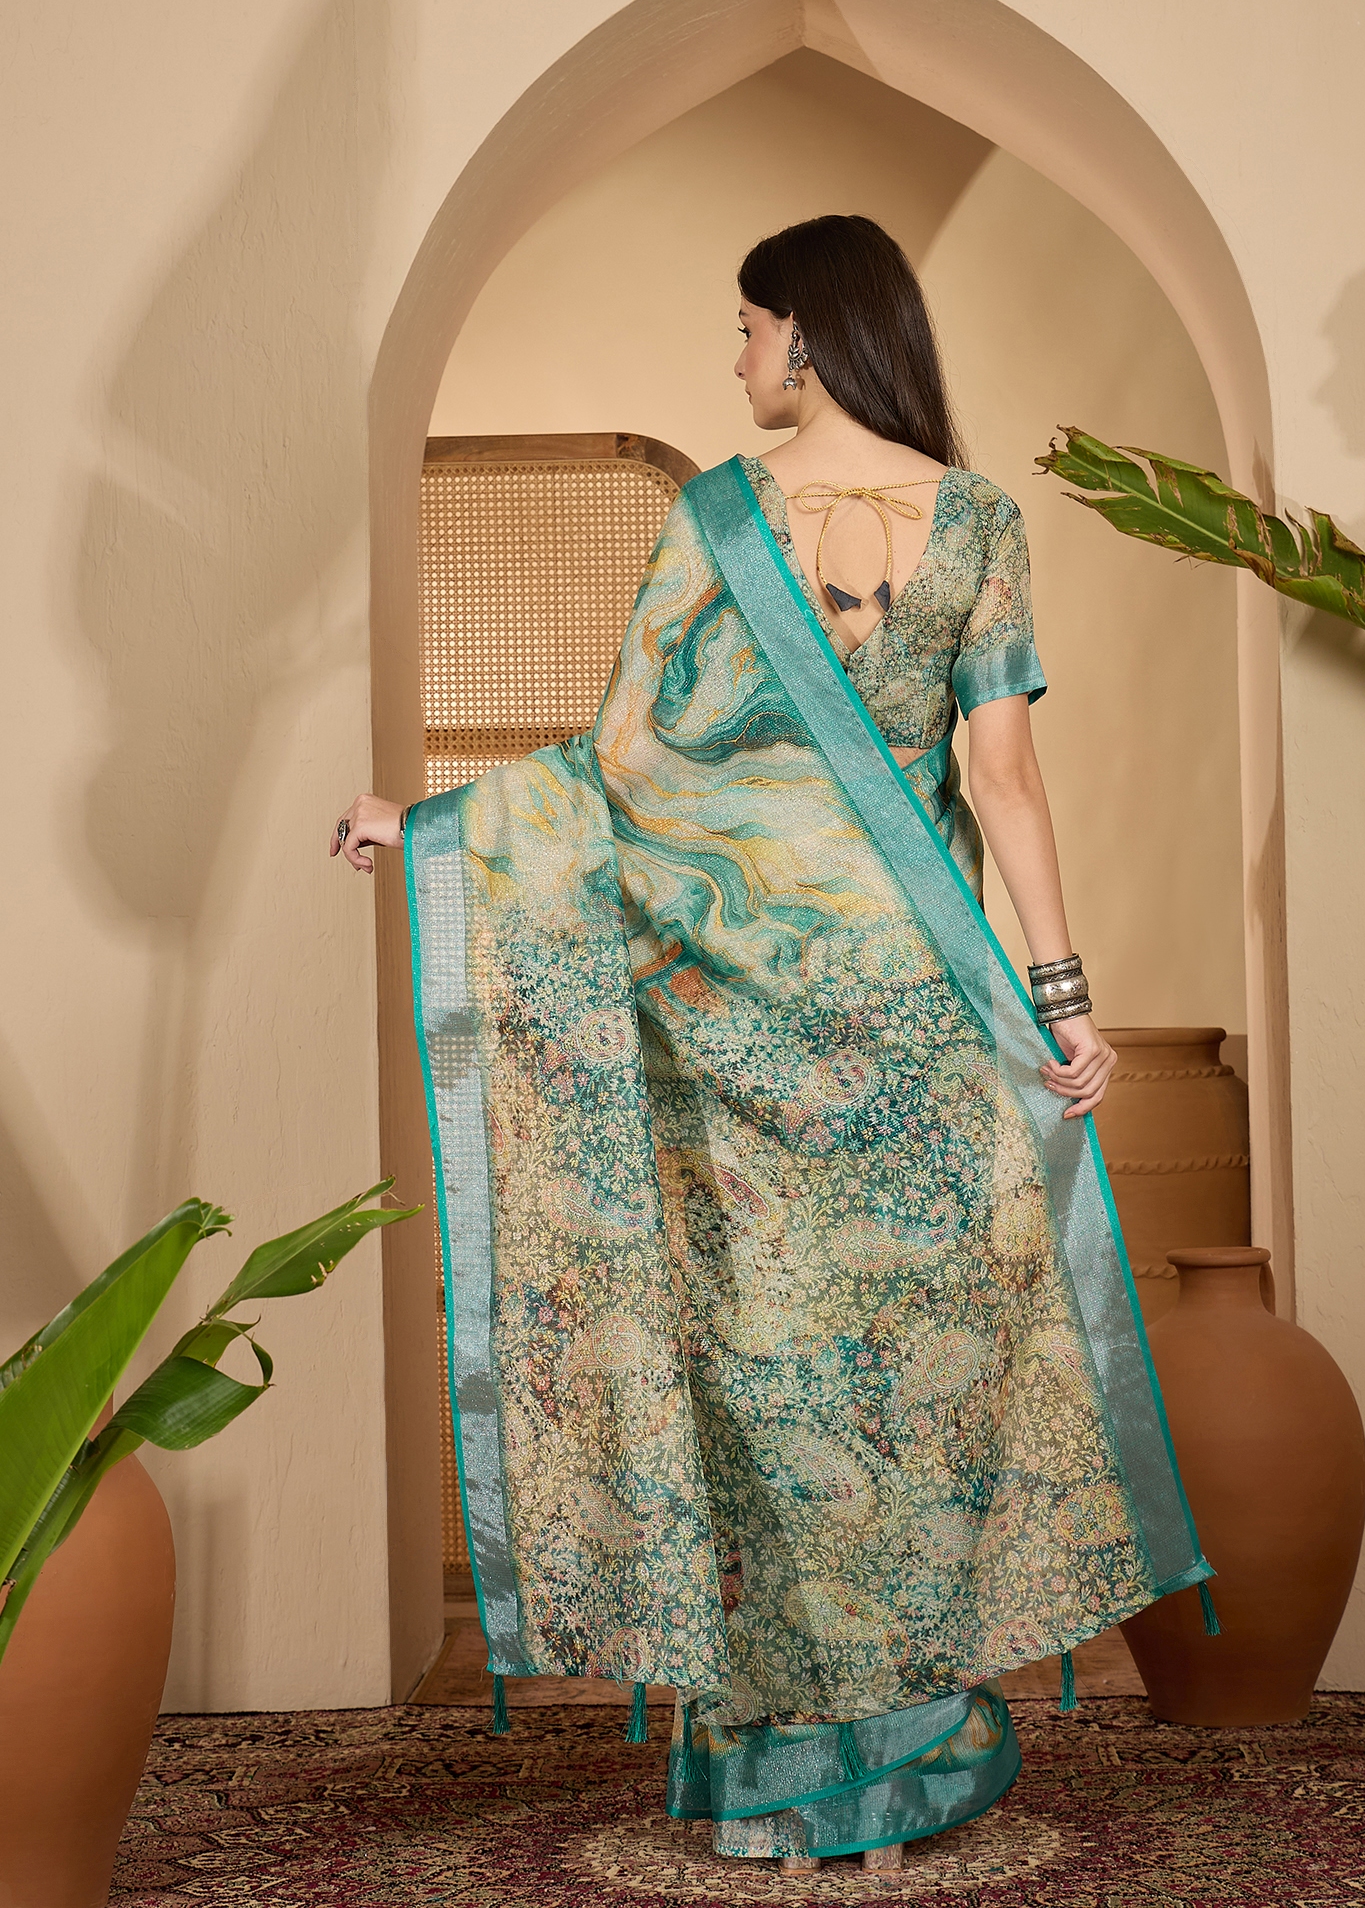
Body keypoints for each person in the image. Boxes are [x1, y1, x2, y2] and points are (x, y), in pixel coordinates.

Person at [333, 214, 1212, 1875]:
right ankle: (911, 1741)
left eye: (746, 326)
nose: (735, 356)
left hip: (738, 1020)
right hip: (920, 1008)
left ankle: (797, 1776)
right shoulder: (978, 519)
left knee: (763, 1373)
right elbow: (1006, 781)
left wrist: (435, 829)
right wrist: (1061, 996)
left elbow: (626, 773)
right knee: (908, 1371)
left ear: (806, 332)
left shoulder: (717, 522)